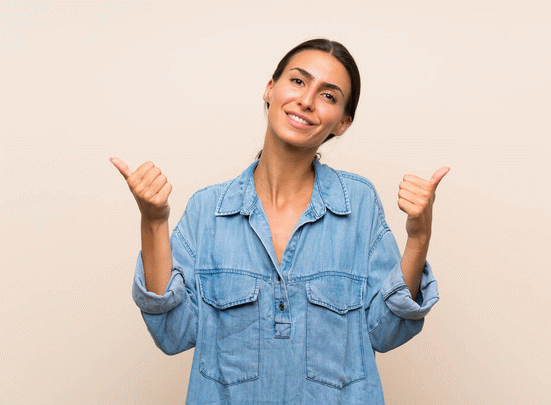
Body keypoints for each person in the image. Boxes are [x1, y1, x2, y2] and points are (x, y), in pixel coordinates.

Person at [110, 38, 449, 405]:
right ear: (270, 89)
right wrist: (153, 222)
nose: (306, 100)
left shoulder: (358, 204)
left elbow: (387, 331)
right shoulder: (208, 210)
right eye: (298, 81)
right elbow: (173, 333)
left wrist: (419, 237)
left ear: (343, 123)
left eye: (328, 96)